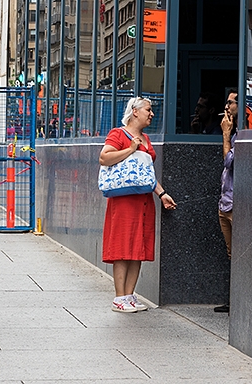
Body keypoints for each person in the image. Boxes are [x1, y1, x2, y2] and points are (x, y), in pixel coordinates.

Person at [99, 97, 177, 313]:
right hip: (124, 202)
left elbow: (147, 174)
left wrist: (162, 193)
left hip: (143, 200)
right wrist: (131, 148)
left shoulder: (147, 139)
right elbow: (104, 158)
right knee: (122, 248)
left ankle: (129, 295)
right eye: (148, 110)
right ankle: (119, 297)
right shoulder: (118, 134)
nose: (151, 114)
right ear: (135, 111)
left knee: (137, 249)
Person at [215, 89, 239, 314]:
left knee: (240, 253)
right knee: (232, 253)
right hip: (225, 202)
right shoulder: (233, 134)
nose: (226, 107)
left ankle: (240, 301)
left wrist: (226, 134)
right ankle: (233, 301)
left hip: (235, 204)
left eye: (231, 103)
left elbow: (229, 162)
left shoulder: (241, 134)